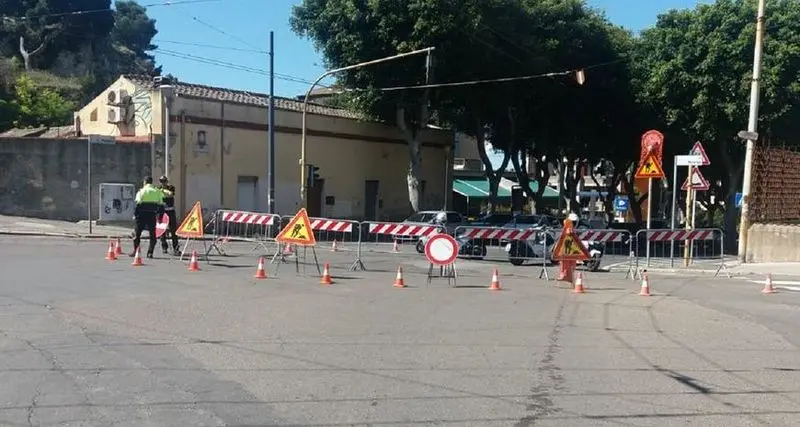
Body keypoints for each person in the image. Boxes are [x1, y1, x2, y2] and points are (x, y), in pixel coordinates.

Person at [131, 176, 164, 258]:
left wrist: (135, 215)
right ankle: (150, 252)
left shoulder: (141, 191)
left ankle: (136, 251)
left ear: (145, 182)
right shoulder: (157, 192)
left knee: (137, 234)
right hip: (152, 215)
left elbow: (137, 205)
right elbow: (161, 206)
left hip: (141, 216)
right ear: (151, 182)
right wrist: (160, 218)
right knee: (152, 235)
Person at [158, 175, 181, 256]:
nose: (163, 183)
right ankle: (164, 247)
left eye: (164, 181)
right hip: (162, 211)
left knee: (173, 230)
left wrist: (163, 192)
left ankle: (176, 247)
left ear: (167, 181)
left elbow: (170, 195)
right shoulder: (158, 189)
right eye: (161, 181)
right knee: (162, 230)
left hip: (170, 211)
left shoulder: (171, 187)